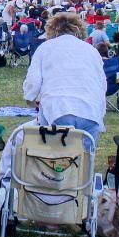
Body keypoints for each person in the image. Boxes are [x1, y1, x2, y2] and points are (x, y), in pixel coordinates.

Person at [22, 11, 106, 147]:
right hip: (90, 111)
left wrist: (30, 99)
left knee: (55, 159)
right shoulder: (91, 50)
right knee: (84, 161)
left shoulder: (45, 48)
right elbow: (102, 83)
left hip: (58, 109)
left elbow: (33, 81)